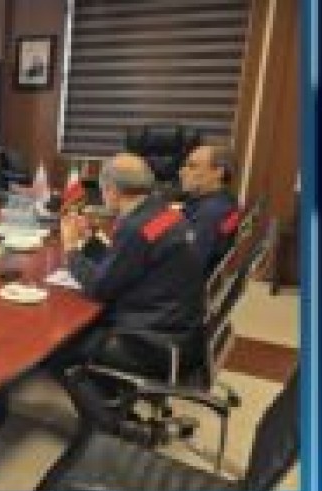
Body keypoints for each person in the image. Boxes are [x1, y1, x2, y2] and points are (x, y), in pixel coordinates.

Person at [50, 153, 204, 441]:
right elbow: (124, 264)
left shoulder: (137, 227)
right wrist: (91, 238)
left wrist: (70, 248)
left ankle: (117, 432)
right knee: (81, 332)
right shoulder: (159, 212)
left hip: (153, 340)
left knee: (59, 349)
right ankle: (116, 408)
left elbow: (99, 287)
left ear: (111, 190)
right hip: (177, 328)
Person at [179, 144, 242, 275]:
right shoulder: (218, 201)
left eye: (192, 166)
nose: (182, 172)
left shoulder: (211, 214)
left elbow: (188, 264)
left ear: (218, 172)